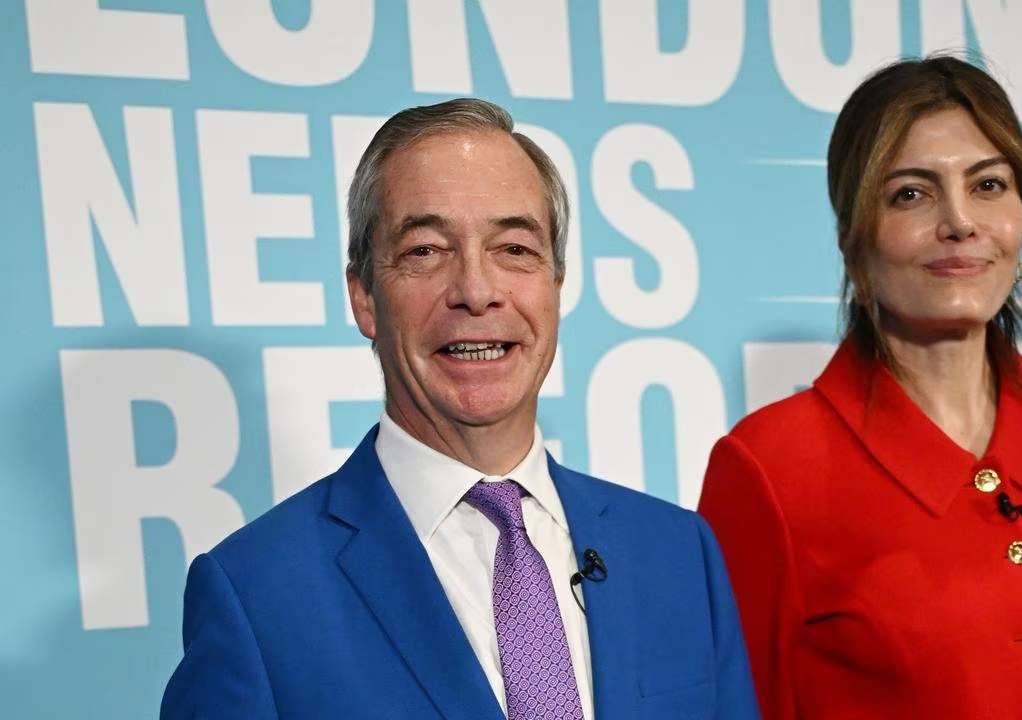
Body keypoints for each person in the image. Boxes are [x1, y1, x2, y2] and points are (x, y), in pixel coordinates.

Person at [161, 99, 759, 720]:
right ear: (364, 296)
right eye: (425, 250)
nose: (476, 291)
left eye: (514, 248)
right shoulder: (255, 597)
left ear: (556, 284)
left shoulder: (678, 553)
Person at [698, 56, 1022, 720]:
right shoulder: (769, 465)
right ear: (853, 242)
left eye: (989, 185)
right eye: (911, 194)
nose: (960, 221)